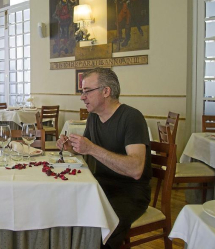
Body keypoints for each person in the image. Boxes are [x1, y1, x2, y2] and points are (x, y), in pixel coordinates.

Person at [57, 67, 151, 249]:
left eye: (87, 91)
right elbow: (88, 150)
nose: (82, 97)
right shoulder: (93, 117)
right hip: (99, 186)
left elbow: (136, 169)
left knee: (96, 231)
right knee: (64, 210)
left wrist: (91, 148)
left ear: (106, 91)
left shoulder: (132, 118)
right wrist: (73, 148)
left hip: (130, 193)